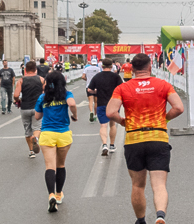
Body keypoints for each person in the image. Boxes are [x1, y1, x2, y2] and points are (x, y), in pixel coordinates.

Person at [107, 54, 185, 224]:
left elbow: (110, 112)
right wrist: (163, 120)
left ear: (131, 69)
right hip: (158, 138)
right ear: (150, 67)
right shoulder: (163, 84)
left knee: (138, 185)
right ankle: (160, 216)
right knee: (158, 185)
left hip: (134, 139)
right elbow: (179, 107)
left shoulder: (122, 88)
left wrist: (123, 121)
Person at [34, 69, 77, 213]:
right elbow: (72, 104)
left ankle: (51, 195)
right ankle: (59, 194)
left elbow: (37, 117)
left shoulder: (43, 97)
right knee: (61, 164)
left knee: (49, 166)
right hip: (64, 134)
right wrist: (74, 115)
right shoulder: (66, 94)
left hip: (47, 134)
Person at [87, 58, 123, 156]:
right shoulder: (116, 77)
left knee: (103, 125)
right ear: (112, 66)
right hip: (114, 104)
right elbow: (122, 89)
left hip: (101, 103)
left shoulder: (97, 77)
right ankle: (112, 145)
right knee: (112, 125)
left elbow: (89, 89)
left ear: (102, 66)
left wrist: (96, 92)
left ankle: (104, 145)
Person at [15, 60, 45, 159]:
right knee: (37, 128)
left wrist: (17, 100)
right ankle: (35, 138)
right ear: (35, 69)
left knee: (27, 130)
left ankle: (31, 151)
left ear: (26, 70)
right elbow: (46, 93)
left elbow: (16, 95)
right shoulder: (41, 79)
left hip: (25, 107)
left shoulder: (21, 80)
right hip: (37, 108)